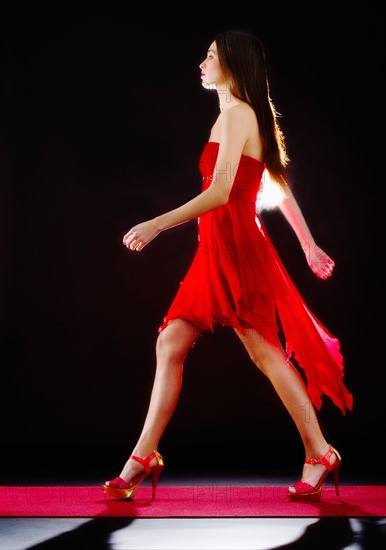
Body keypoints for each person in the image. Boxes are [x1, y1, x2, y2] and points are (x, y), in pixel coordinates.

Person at [103, 29, 353, 503]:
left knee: (264, 353)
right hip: (216, 248)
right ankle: (143, 455)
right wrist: (308, 244)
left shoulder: (238, 115)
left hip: (236, 248)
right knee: (172, 339)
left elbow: (222, 193)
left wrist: (157, 223)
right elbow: (277, 186)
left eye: (211, 56)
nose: (202, 62)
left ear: (233, 65)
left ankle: (319, 450)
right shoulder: (238, 117)